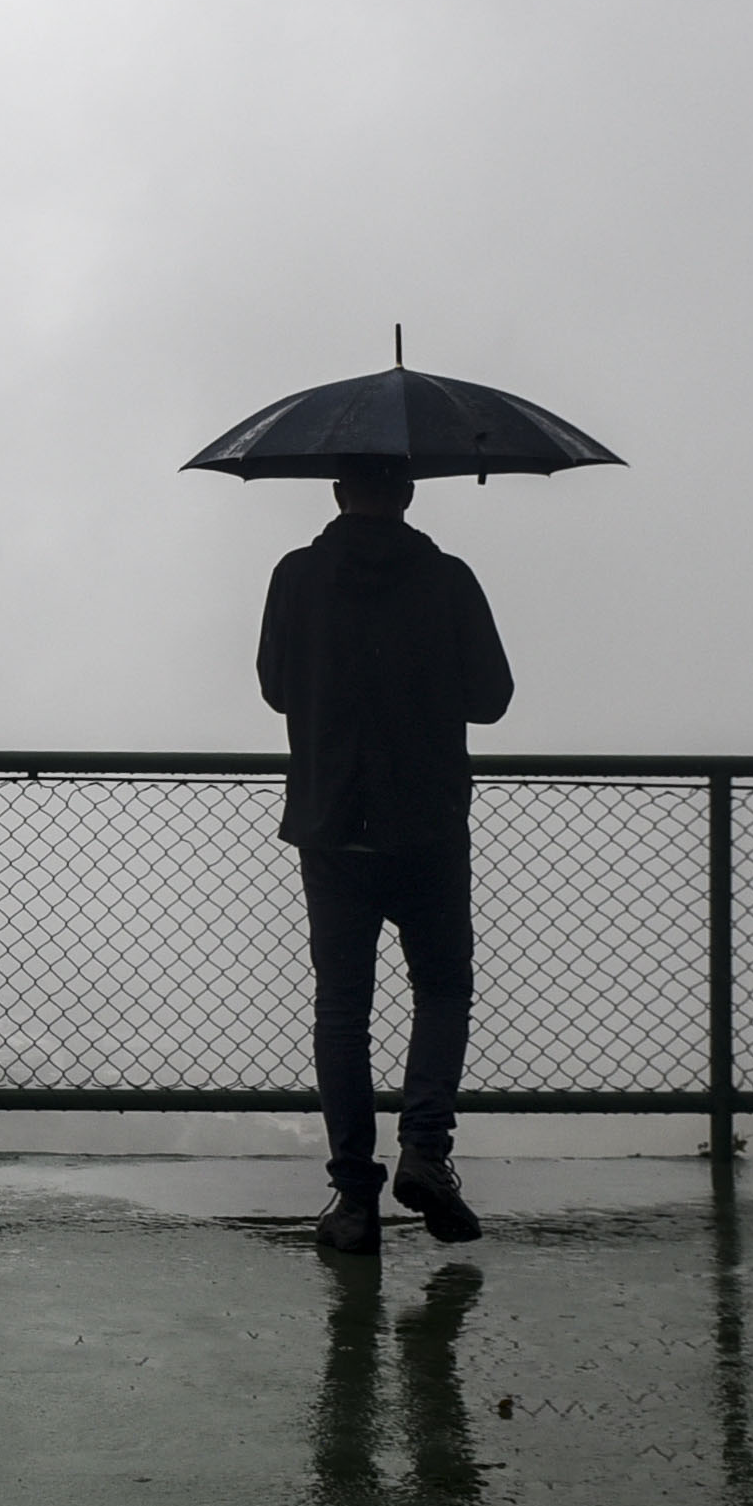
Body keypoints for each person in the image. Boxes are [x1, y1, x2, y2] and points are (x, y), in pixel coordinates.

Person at [256, 470, 512, 1251]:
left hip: (331, 821)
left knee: (342, 1009)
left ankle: (353, 1200)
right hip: (427, 820)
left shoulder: (296, 576)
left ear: (336, 488)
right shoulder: (447, 579)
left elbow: (273, 687)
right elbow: (491, 696)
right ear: (407, 490)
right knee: (440, 986)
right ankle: (425, 1151)